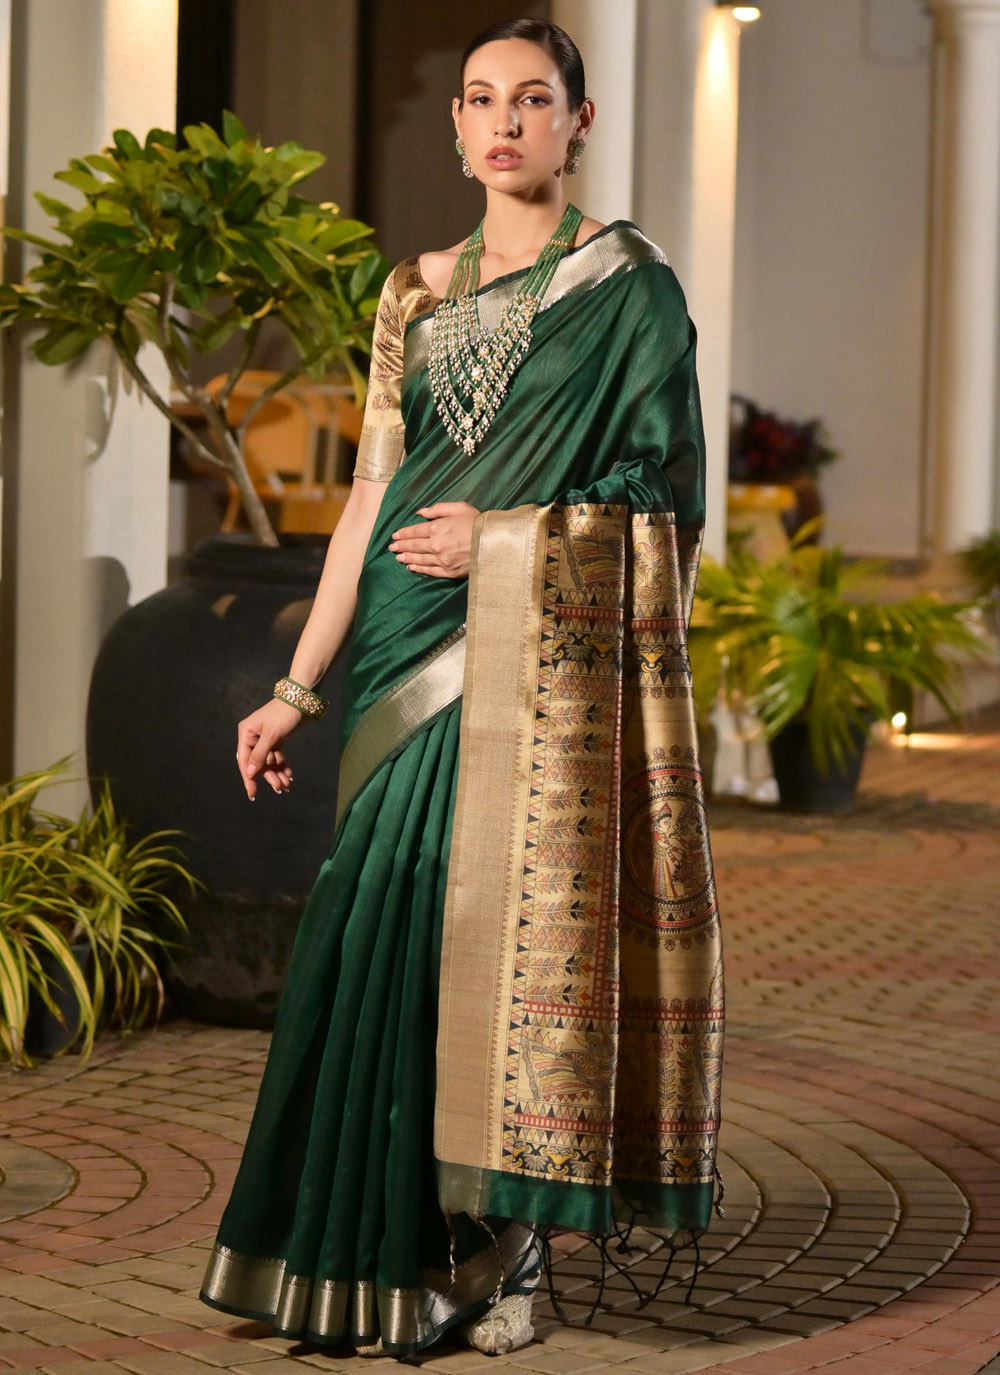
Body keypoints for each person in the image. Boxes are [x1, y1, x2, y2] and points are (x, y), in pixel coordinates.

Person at [199, 15, 724, 1362]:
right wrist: (298, 686)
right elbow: (367, 500)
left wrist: (500, 538)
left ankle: (502, 1248)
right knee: (374, 926)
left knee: (488, 943)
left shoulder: (629, 287)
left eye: (533, 99)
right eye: (482, 99)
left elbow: (661, 497)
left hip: (525, 657)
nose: (504, 122)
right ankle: (368, 1253)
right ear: (457, 126)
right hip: (397, 647)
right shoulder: (413, 294)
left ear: (578, 122)